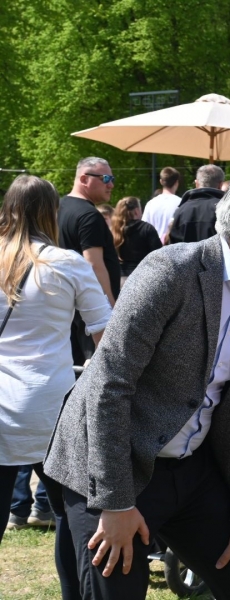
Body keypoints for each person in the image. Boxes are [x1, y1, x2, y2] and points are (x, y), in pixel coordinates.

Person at [43, 169, 230, 599]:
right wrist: (116, 502)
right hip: (112, 465)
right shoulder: (171, 270)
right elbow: (109, 384)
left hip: (191, 469)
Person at [0, 175, 110, 600]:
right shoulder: (68, 263)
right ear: (51, 212)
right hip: (52, 403)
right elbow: (105, 332)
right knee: (71, 514)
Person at [58, 157, 119, 367]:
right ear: (84, 179)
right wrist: (111, 307)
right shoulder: (89, 215)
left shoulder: (58, 208)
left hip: (66, 306)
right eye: (106, 179)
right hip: (90, 312)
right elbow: (93, 265)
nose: (111, 185)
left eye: (112, 179)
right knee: (94, 370)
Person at [167, 164, 226, 244]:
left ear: (196, 183)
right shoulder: (225, 209)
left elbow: (173, 246)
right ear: (221, 185)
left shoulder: (181, 211)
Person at [110, 197, 162, 287]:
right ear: (137, 211)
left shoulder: (114, 230)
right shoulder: (147, 228)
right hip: (142, 278)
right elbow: (158, 254)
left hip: (119, 279)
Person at [141, 167, 181, 243]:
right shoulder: (181, 203)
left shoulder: (150, 204)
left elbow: (144, 230)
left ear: (161, 181)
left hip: (154, 247)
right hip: (174, 246)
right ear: (177, 183)